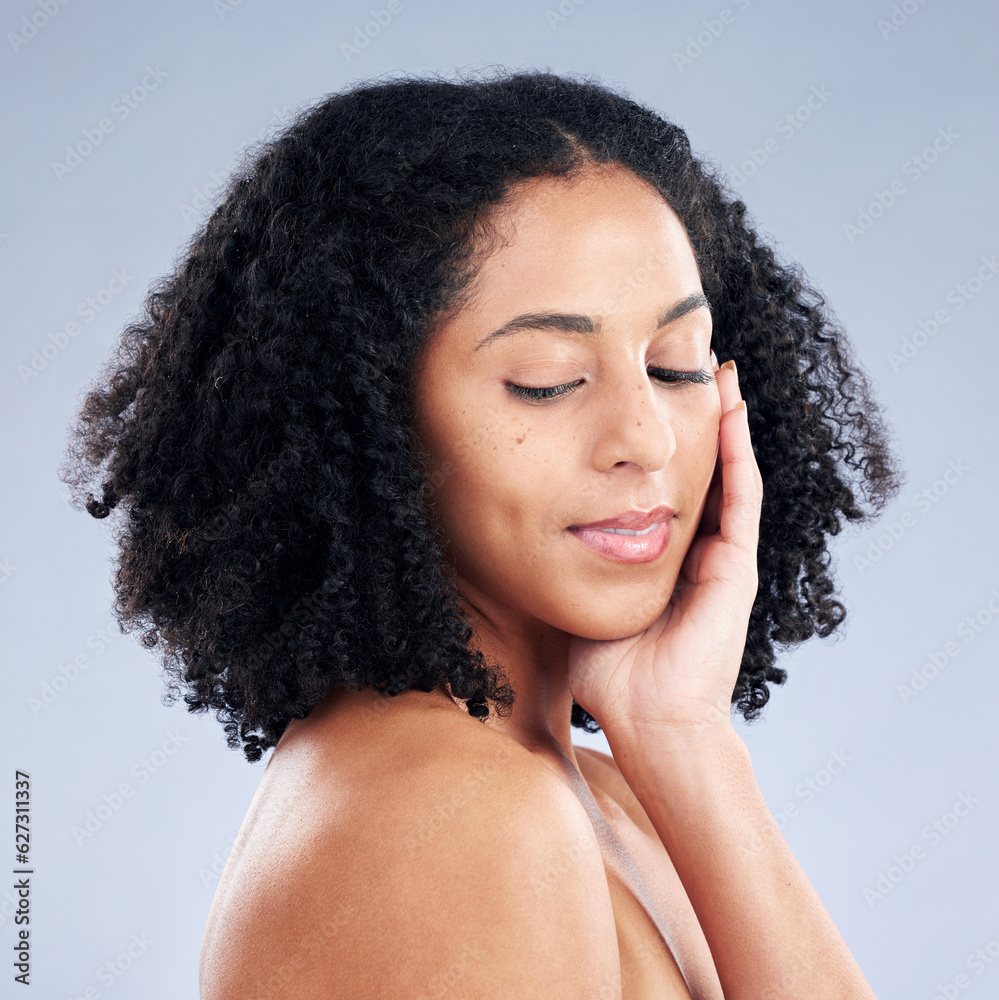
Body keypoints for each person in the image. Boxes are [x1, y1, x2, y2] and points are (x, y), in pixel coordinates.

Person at [62, 68, 900, 998]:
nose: (646, 438)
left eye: (673, 364)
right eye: (546, 379)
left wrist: (683, 734)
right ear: (372, 418)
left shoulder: (592, 790)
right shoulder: (456, 813)